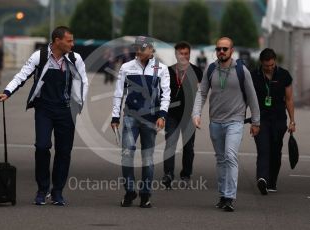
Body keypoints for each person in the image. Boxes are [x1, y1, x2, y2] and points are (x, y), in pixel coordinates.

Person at [0, 26, 88, 206]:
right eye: (69, 41)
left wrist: (78, 105)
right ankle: (42, 189)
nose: (72, 44)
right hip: (44, 109)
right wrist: (7, 92)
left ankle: (57, 192)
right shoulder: (40, 56)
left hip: (66, 110)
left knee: (64, 151)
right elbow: (22, 75)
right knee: (42, 146)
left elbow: (83, 81)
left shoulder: (75, 59)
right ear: (57, 40)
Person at [192, 37, 260, 212]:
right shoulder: (211, 69)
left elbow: (252, 97)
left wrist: (255, 121)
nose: (221, 52)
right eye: (218, 49)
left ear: (232, 50)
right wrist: (196, 113)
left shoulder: (241, 70)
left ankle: (230, 196)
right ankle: (223, 195)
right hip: (215, 122)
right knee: (221, 159)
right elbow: (202, 93)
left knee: (230, 156)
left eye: (225, 49)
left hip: (235, 121)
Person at [111, 36, 170, 208]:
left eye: (142, 48)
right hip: (130, 117)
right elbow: (118, 93)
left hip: (151, 119)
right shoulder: (126, 67)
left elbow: (166, 94)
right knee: (127, 154)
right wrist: (115, 117)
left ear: (151, 50)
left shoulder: (161, 69)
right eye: (137, 47)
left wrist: (163, 115)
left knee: (148, 158)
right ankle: (130, 191)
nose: (138, 50)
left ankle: (145, 194)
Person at [251, 48, 296, 195]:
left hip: (279, 120)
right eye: (266, 66)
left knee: (275, 152)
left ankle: (272, 182)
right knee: (263, 149)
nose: (269, 68)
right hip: (260, 119)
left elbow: (289, 99)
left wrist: (292, 121)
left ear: (275, 61)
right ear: (261, 63)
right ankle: (262, 179)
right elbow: (247, 98)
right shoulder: (254, 76)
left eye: (271, 65)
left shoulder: (284, 75)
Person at [161, 41, 202, 189]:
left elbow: (200, 95)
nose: (183, 56)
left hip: (189, 115)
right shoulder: (168, 71)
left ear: (190, 54)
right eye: (180, 53)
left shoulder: (197, 72)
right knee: (170, 144)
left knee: (188, 147)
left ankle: (186, 173)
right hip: (172, 114)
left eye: (186, 53)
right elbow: (162, 93)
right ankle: (168, 174)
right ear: (176, 54)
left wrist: (197, 114)